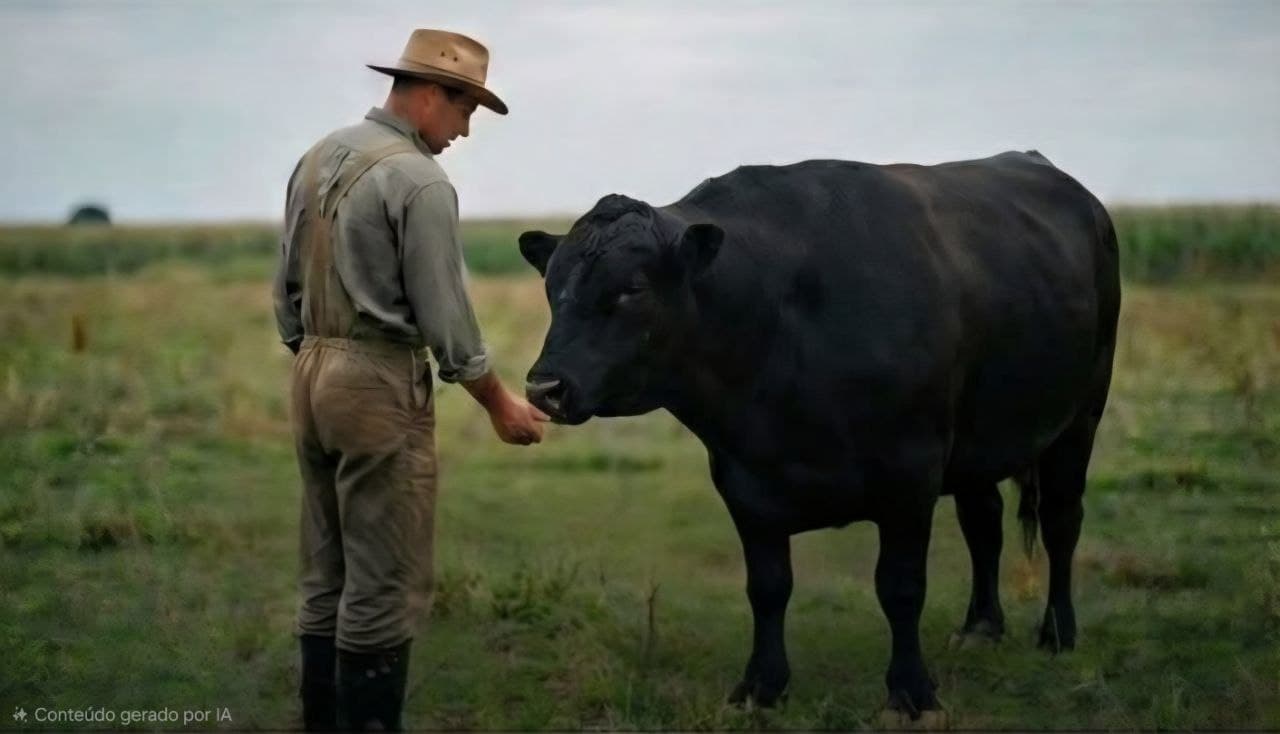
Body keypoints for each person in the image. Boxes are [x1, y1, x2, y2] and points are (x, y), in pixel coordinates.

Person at [272, 28, 549, 731]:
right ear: (430, 93)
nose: (464, 130)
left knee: (324, 571)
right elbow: (448, 323)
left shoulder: (315, 156)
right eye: (465, 111)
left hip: (309, 371)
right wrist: (498, 403)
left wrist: (315, 355)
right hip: (375, 380)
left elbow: (285, 297)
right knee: (383, 581)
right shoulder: (421, 180)